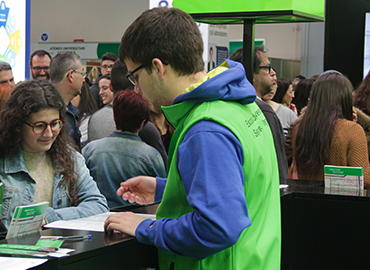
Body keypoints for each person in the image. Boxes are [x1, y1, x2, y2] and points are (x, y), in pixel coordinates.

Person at [104, 7, 281, 270]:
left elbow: (217, 227)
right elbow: (238, 186)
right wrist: (167, 188)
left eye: (136, 76)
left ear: (157, 67)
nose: (136, 88)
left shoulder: (206, 128)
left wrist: (147, 227)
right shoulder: (240, 106)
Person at [0, 80, 108, 237]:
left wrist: (48, 217)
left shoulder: (70, 158)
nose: (48, 134)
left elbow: (98, 205)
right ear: (18, 124)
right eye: (39, 126)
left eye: (55, 124)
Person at [83, 90, 166, 208]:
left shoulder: (90, 150)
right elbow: (163, 193)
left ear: (114, 117)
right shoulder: (151, 156)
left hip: (98, 216)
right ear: (143, 123)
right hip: (136, 219)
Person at [292, 71, 370, 185]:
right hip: (340, 200)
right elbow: (365, 179)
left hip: (306, 198)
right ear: (345, 98)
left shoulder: (299, 128)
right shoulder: (353, 130)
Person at [87, 59, 168, 166]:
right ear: (137, 84)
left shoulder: (94, 119)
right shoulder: (146, 127)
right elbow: (165, 172)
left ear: (111, 86)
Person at [229, 46, 288, 183]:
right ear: (251, 73)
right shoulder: (263, 112)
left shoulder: (227, 106)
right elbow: (278, 166)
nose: (272, 73)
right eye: (267, 68)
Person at [49, 52, 86, 151]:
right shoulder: (49, 111)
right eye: (82, 74)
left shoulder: (69, 111)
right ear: (71, 75)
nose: (84, 80)